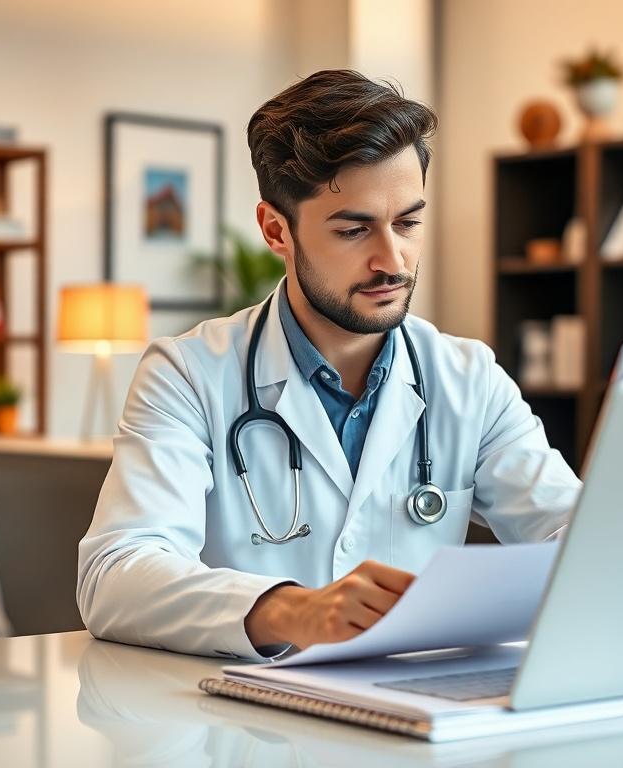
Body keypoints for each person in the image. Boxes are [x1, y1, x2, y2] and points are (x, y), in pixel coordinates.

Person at [77, 69, 581, 660]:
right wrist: (292, 609)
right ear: (276, 231)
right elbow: (115, 575)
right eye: (354, 229)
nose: (391, 260)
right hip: (240, 732)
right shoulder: (188, 373)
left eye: (408, 223)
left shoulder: (468, 378)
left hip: (415, 723)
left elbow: (574, 535)